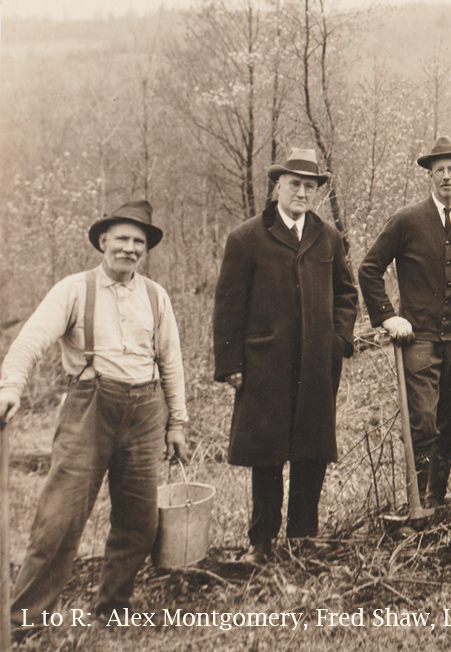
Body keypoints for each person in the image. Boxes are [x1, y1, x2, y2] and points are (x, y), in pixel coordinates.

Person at [0, 201, 187, 625]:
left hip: (145, 414)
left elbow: (172, 362)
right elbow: (30, 340)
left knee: (139, 524)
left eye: (138, 242)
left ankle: (112, 609)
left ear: (146, 249)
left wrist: (177, 422)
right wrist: (10, 387)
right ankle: (25, 620)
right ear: (103, 241)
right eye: (121, 239)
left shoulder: (156, 296)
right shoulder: (74, 289)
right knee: (59, 522)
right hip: (89, 411)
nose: (129, 248)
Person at [213, 147, 358, 564]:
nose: (302, 192)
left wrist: (339, 340)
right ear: (278, 186)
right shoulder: (247, 238)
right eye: (294, 184)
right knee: (267, 453)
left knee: (312, 451)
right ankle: (261, 542)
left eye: (309, 186)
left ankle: (302, 537)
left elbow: (346, 293)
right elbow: (227, 306)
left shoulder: (327, 237)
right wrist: (230, 364)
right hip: (266, 366)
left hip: (316, 365)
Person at [358, 136, 451, 510]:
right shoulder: (407, 220)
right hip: (417, 339)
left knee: (449, 422)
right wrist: (388, 317)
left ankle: (436, 498)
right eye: (439, 170)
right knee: (422, 422)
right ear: (429, 176)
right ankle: (417, 502)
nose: (446, 176)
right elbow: (369, 269)